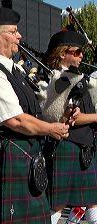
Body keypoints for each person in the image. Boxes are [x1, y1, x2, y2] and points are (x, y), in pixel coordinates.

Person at [0, 6, 71, 223]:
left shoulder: (16, 70)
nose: (19, 36)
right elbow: (15, 119)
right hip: (5, 158)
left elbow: (36, 106)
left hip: (23, 155)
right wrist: (51, 130)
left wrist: (63, 109)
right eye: (13, 32)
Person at [42, 30, 97, 224]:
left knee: (91, 202)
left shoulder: (80, 79)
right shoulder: (59, 80)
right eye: (77, 51)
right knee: (58, 204)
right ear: (63, 53)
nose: (82, 55)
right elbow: (72, 119)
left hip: (84, 147)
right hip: (67, 146)